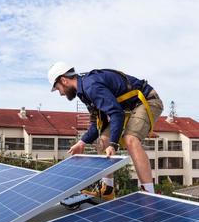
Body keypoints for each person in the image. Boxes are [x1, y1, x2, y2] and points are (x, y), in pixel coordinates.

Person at [48, 62, 163, 200]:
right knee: (103, 141)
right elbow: (98, 123)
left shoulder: (91, 86)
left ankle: (149, 194)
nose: (60, 93)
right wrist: (82, 142)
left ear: (63, 80)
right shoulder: (84, 91)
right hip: (127, 108)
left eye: (58, 88)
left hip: (147, 100)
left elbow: (116, 113)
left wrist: (113, 144)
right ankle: (108, 190)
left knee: (130, 139)